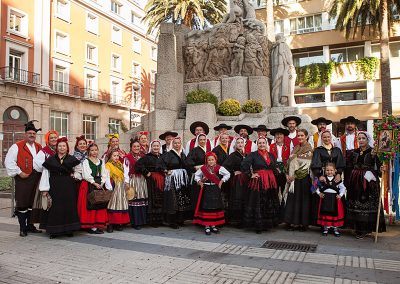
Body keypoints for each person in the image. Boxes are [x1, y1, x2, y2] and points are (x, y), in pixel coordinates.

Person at [5, 120, 42, 237]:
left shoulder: (38, 146)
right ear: (25, 134)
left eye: (34, 134)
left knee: (32, 202)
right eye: (30, 133)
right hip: (23, 180)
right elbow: (9, 162)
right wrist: (19, 172)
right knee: (22, 203)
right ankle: (22, 228)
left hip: (36, 178)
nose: (32, 135)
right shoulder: (17, 146)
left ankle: (30, 226)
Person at [38, 137, 81, 238]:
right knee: (55, 208)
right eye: (60, 146)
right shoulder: (51, 160)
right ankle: (54, 231)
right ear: (57, 148)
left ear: (67, 148)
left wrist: (74, 175)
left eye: (64, 146)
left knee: (68, 207)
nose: (62, 148)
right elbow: (45, 174)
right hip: (54, 186)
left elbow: (79, 171)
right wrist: (44, 189)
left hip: (68, 187)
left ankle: (69, 230)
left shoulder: (72, 159)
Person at [346, 132, 386, 239]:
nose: (361, 140)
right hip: (355, 180)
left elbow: (379, 167)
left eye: (363, 138)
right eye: (359, 138)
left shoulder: (373, 152)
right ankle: (357, 228)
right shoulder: (354, 152)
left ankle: (365, 229)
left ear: (367, 139)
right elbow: (349, 166)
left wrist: (382, 169)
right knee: (355, 203)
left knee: (366, 203)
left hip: (368, 181)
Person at [241, 136, 280, 233]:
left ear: (266, 144)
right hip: (259, 181)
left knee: (268, 201)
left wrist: (276, 174)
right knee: (259, 201)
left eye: (263, 143)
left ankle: (267, 224)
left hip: (270, 182)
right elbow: (244, 164)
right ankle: (258, 225)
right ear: (257, 144)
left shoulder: (271, 155)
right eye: (260, 143)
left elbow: (274, 166)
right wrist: (251, 174)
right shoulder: (253, 155)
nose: (262, 144)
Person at [311, 129, 345, 226]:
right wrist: (319, 175)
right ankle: (322, 223)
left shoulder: (337, 150)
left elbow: (340, 163)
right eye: (324, 137)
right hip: (322, 175)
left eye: (328, 137)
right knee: (320, 195)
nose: (327, 139)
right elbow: (315, 164)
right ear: (321, 138)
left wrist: (338, 173)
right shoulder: (318, 150)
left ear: (331, 138)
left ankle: (335, 223)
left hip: (334, 176)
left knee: (335, 195)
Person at [193, 152, 230, 235]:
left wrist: (221, 181)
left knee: (214, 207)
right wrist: (199, 182)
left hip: (215, 189)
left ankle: (213, 225)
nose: (210, 161)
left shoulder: (219, 168)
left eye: (212, 159)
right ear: (206, 160)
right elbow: (196, 175)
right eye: (209, 160)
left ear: (215, 160)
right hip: (206, 189)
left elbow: (228, 174)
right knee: (206, 207)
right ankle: (207, 226)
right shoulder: (203, 168)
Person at [158, 137, 191, 229]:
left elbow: (187, 165)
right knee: (173, 199)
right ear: (172, 144)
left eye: (178, 143)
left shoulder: (183, 154)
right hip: (173, 179)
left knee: (181, 198)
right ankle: (172, 221)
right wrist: (165, 170)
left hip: (182, 179)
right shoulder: (168, 154)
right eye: (175, 143)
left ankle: (180, 219)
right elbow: (160, 164)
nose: (177, 145)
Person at [284, 129, 313, 231]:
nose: (300, 137)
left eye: (302, 136)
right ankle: (292, 222)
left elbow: (306, 166)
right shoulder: (296, 148)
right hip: (293, 180)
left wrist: (294, 176)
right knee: (292, 201)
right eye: (298, 136)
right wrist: (287, 174)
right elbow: (289, 162)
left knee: (302, 201)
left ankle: (302, 224)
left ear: (306, 136)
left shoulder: (309, 149)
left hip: (303, 178)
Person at [77, 143, 108, 234]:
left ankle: (97, 224)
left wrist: (102, 183)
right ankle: (91, 226)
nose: (94, 152)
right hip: (89, 184)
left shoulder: (101, 161)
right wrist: (94, 183)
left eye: (96, 150)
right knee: (91, 204)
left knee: (99, 203)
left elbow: (104, 173)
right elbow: (86, 174)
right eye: (92, 150)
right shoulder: (86, 161)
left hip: (99, 183)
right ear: (89, 152)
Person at [31, 130, 59, 225]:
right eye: (51, 138)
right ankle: (47, 224)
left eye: (55, 137)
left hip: (58, 180)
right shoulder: (44, 151)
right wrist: (48, 168)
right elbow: (36, 164)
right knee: (47, 202)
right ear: (48, 140)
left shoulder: (60, 149)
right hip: (47, 179)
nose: (54, 139)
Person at [135, 139, 165, 227]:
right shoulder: (147, 156)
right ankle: (153, 221)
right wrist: (146, 172)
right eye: (154, 146)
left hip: (162, 180)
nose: (156, 147)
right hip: (152, 180)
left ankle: (161, 220)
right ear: (151, 147)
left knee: (161, 198)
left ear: (159, 147)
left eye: (157, 146)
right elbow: (138, 165)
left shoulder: (163, 156)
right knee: (153, 199)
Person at [222, 137, 248, 227]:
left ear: (244, 144)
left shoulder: (246, 155)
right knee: (238, 198)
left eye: (242, 142)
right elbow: (224, 167)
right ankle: (237, 220)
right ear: (235, 145)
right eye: (238, 143)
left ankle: (244, 219)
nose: (240, 144)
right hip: (237, 181)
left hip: (245, 180)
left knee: (245, 198)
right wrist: (233, 173)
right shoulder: (233, 155)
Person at [316, 162, 346, 237]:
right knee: (326, 214)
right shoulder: (322, 179)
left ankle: (335, 229)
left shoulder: (337, 179)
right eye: (327, 170)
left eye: (331, 170)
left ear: (335, 170)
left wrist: (340, 195)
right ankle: (326, 229)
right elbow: (315, 187)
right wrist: (319, 193)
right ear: (324, 170)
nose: (329, 172)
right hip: (325, 199)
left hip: (335, 200)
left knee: (335, 215)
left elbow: (343, 188)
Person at [124, 139, 148, 230]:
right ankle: (135, 222)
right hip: (133, 179)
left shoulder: (143, 156)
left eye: (138, 146)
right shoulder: (127, 157)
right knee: (134, 200)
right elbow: (126, 171)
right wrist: (126, 182)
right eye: (134, 146)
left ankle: (143, 221)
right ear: (131, 147)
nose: (136, 148)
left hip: (142, 180)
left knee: (142, 199)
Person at [105, 150, 130, 232]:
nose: (116, 157)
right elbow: (107, 177)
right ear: (110, 157)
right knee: (112, 204)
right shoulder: (108, 165)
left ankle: (118, 223)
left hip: (121, 186)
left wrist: (126, 182)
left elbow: (125, 173)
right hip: (114, 186)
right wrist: (109, 187)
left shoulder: (120, 164)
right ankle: (110, 224)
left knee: (120, 204)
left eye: (117, 156)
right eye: (114, 155)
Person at [269, 127, 291, 220]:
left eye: (280, 134)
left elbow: (290, 160)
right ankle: (274, 213)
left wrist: (286, 171)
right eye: (277, 134)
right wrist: (275, 168)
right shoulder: (271, 146)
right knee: (274, 191)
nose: (279, 136)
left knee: (284, 192)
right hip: (274, 170)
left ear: (284, 136)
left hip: (285, 170)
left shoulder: (288, 146)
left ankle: (284, 214)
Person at [186, 134, 209, 216]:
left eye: (204, 139)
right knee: (198, 195)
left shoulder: (209, 150)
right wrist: (196, 167)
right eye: (201, 140)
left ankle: (206, 215)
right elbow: (188, 163)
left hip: (208, 176)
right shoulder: (194, 150)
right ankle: (197, 215)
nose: (202, 141)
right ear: (198, 141)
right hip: (198, 176)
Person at [339, 116, 361, 191]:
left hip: (358, 161)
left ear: (355, 125)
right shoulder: (341, 138)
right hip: (347, 162)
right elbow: (340, 151)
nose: (350, 125)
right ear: (345, 126)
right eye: (348, 124)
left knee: (358, 181)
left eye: (352, 123)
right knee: (348, 182)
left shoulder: (360, 136)